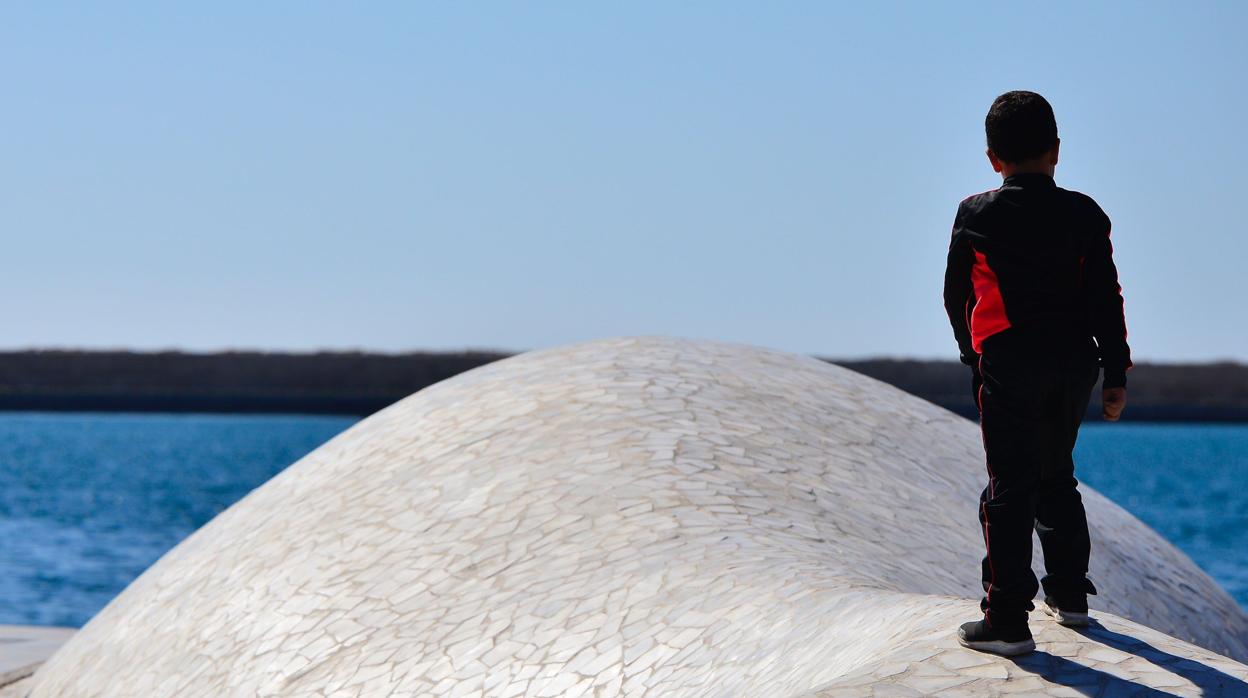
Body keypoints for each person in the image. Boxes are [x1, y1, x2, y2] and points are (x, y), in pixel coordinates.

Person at [943, 90, 1132, 656]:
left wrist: (971, 356)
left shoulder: (977, 214)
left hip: (1008, 362)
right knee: (1057, 474)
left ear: (992, 159)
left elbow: (956, 297)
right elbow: (1106, 296)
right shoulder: (1084, 213)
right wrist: (1116, 370)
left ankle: (1006, 620)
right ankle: (1070, 597)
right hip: (1076, 365)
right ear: (1056, 151)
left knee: (1008, 486)